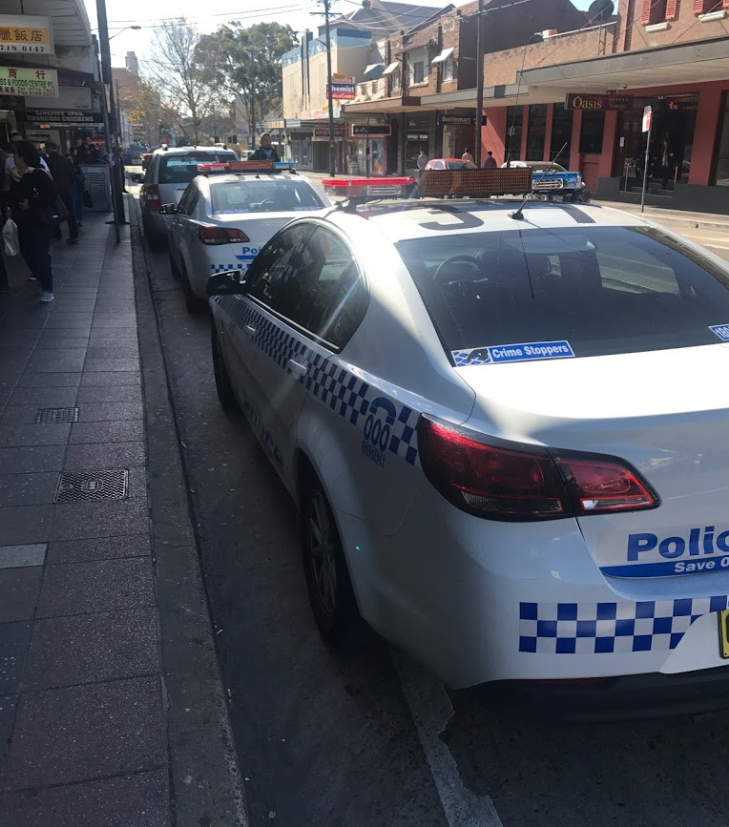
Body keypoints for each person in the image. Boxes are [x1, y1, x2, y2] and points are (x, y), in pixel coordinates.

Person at [9, 141, 57, 302]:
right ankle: (39, 274)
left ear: (23, 157)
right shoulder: (14, 175)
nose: (13, 158)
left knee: (39, 254)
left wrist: (32, 203)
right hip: (22, 221)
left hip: (39, 221)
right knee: (26, 251)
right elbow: (12, 196)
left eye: (15, 155)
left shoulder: (38, 174)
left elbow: (51, 197)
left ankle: (47, 287)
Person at [45, 141, 78, 244]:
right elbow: (73, 176)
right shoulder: (66, 161)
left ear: (49, 148)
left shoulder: (47, 162)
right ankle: (73, 234)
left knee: (54, 212)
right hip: (65, 190)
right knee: (69, 212)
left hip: (52, 191)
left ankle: (57, 233)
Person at [68, 152, 85, 227]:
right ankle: (76, 220)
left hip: (77, 189)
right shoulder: (75, 168)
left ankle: (78, 220)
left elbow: (82, 178)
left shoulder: (77, 168)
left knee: (77, 205)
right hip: (73, 189)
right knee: (75, 205)